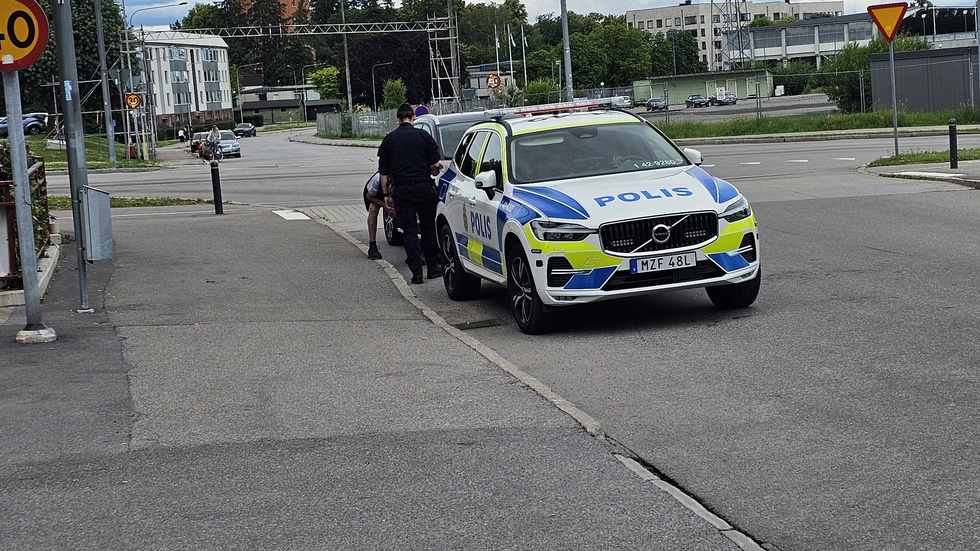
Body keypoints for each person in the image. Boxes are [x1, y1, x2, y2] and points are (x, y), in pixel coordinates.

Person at [378, 103, 443, 284]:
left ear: (398, 119)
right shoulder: (423, 136)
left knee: (409, 231)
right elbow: (434, 166)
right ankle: (432, 267)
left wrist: (386, 196)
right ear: (413, 117)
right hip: (424, 189)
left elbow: (383, 174)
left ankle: (416, 273)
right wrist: (433, 169)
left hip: (402, 191)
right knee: (428, 228)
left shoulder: (389, 140)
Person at [363, 171, 393, 260]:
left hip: (393, 196)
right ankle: (372, 246)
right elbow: (369, 196)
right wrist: (385, 207)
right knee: (373, 208)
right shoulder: (377, 178)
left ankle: (412, 251)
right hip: (375, 196)